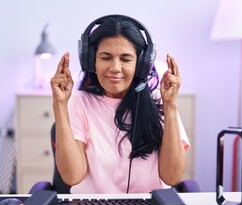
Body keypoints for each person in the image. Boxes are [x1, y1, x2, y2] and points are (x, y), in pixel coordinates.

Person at [50, 14, 190, 194]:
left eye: (125, 59)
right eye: (105, 57)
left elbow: (172, 177)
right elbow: (72, 177)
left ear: (141, 65)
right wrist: (59, 105)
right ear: (91, 61)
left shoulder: (160, 101)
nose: (115, 67)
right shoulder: (79, 102)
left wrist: (170, 105)